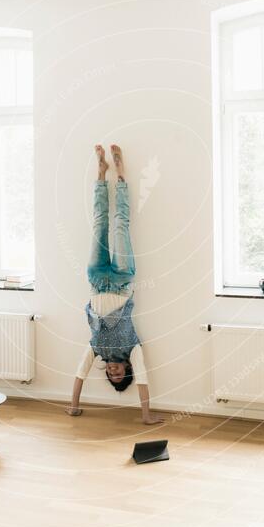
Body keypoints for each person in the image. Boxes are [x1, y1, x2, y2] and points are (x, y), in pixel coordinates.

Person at [66, 145, 164, 425]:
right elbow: (143, 379)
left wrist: (73, 407)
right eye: (119, 374)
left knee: (99, 225)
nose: (112, 371)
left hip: (96, 280)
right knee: (120, 224)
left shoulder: (95, 347)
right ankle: (120, 176)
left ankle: (100, 175)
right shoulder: (133, 349)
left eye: (111, 375)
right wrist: (146, 416)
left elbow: (80, 373)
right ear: (127, 369)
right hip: (121, 279)